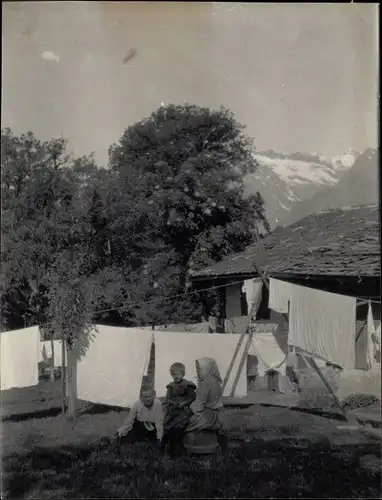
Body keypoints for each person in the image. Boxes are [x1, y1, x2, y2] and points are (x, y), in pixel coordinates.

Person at [185, 357, 228, 452]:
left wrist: (188, 408)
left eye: (199, 369)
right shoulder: (216, 382)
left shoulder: (205, 383)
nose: (197, 372)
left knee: (182, 420)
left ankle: (190, 445)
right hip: (217, 415)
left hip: (206, 417)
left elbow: (198, 405)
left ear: (207, 369)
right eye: (196, 369)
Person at [161, 362, 196, 456]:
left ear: (183, 374)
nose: (176, 377)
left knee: (179, 426)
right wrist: (173, 403)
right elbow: (168, 398)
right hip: (174, 409)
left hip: (184, 409)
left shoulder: (188, 385)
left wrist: (183, 403)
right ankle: (166, 447)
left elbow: (192, 398)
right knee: (167, 425)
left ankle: (179, 448)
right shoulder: (170, 386)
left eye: (178, 374)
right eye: (174, 375)